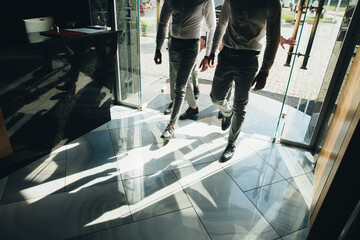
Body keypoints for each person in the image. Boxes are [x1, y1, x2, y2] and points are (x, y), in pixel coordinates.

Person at [203, 0, 282, 162]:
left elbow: (273, 38)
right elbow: (221, 25)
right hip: (226, 55)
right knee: (216, 97)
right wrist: (212, 51)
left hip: (248, 60)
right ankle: (227, 112)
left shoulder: (272, 3)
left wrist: (265, 70)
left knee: (241, 104)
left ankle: (231, 143)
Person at [154, 0, 216, 139]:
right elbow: (163, 23)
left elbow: (212, 27)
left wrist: (208, 55)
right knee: (183, 82)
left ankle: (171, 126)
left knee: (179, 86)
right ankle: (193, 108)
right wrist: (158, 48)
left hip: (190, 46)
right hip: (174, 45)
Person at [164, 22, 208, 120]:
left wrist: (202, 37)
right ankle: (176, 101)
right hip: (173, 35)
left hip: (191, 37)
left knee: (186, 75)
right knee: (173, 74)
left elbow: (205, 17)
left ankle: (193, 101)